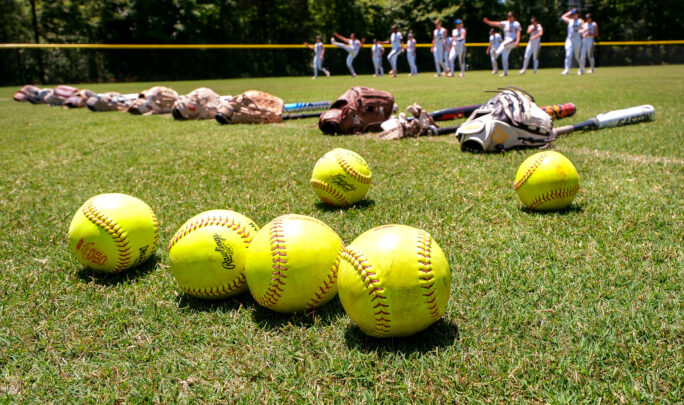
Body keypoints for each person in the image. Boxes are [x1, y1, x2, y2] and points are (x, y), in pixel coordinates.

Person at [483, 11, 521, 76]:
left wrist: (518, 41)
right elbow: (496, 23)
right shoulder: (505, 23)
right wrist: (488, 22)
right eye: (508, 16)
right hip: (507, 42)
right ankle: (505, 72)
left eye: (510, 16)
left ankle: (496, 54)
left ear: (513, 17)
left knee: (503, 44)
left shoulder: (516, 23)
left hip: (513, 41)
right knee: (504, 57)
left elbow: (518, 32)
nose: (509, 17)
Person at [561, 9, 583, 75]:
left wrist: (579, 31)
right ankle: (566, 70)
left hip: (577, 40)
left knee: (577, 56)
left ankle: (581, 68)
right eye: (572, 14)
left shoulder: (580, 21)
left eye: (574, 14)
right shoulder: (570, 21)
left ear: (577, 14)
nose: (573, 15)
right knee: (568, 55)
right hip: (569, 40)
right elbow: (562, 17)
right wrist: (570, 11)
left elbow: (583, 28)